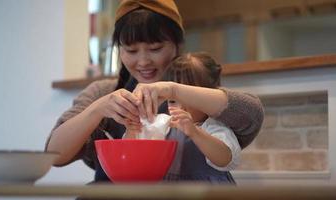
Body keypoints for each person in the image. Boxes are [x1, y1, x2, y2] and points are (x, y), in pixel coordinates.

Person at [45, 0, 264, 182]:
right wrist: (98, 109)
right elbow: (54, 155)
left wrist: (172, 89)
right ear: (119, 51)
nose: (143, 61)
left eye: (155, 49)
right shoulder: (103, 92)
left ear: (177, 45)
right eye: (130, 50)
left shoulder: (193, 89)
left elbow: (250, 114)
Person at [124, 52, 241, 183]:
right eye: (173, 101)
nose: (181, 107)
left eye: (190, 99)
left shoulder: (213, 126)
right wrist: (133, 131)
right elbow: (136, 155)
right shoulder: (163, 126)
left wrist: (195, 132)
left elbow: (225, 159)